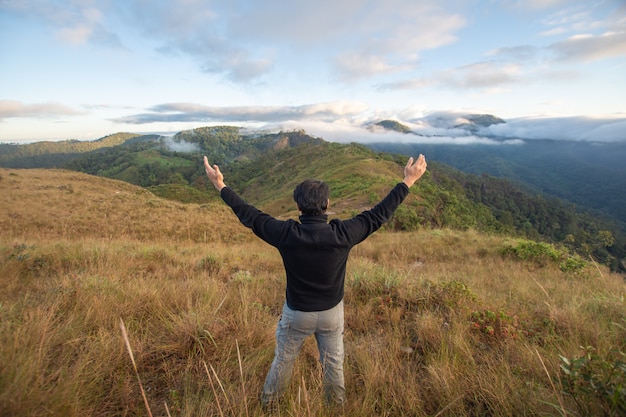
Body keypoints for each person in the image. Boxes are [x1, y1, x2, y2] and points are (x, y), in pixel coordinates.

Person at [203, 154, 427, 406]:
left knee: (284, 359)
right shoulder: (343, 233)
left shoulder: (286, 234)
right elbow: (378, 215)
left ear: (298, 207)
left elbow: (251, 216)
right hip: (331, 312)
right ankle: (336, 407)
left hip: (297, 313)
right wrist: (408, 181)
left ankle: (269, 405)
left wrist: (220, 185)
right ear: (327, 204)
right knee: (334, 362)